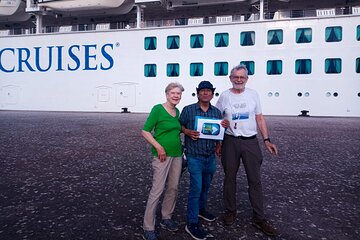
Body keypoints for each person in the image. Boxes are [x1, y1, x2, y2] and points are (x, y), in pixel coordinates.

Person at [215, 64, 279, 236]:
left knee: (255, 180)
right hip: (230, 141)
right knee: (229, 178)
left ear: (247, 78)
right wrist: (218, 142)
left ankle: (259, 218)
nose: (238, 80)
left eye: (242, 77)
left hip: (250, 141)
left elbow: (259, 117)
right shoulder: (224, 96)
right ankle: (230, 211)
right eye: (235, 77)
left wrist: (266, 140)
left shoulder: (253, 94)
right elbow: (216, 118)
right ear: (230, 78)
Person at [179, 81, 228, 240]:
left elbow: (218, 131)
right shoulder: (189, 110)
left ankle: (201, 209)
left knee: (205, 186)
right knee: (196, 188)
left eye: (209, 91)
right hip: (194, 156)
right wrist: (187, 131)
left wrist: (219, 143)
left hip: (210, 157)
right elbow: (178, 125)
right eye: (203, 91)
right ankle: (191, 222)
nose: (206, 93)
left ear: (212, 94)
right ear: (198, 93)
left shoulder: (216, 112)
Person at [141, 82, 185, 240]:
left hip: (177, 155)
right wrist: (159, 148)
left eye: (178, 94)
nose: (176, 96)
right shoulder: (158, 109)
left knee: (173, 188)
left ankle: (167, 217)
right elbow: (145, 131)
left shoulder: (177, 111)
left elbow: (177, 130)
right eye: (173, 93)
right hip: (162, 156)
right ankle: (148, 226)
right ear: (167, 94)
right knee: (157, 190)